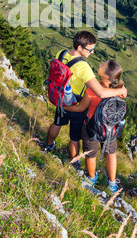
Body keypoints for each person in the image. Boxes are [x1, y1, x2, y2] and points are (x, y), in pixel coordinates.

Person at [45, 31, 127, 167]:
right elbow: (100, 92)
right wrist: (121, 90)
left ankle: (48, 145)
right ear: (79, 48)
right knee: (75, 137)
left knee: (57, 123)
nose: (92, 52)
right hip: (75, 103)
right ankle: (74, 162)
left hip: (60, 98)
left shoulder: (61, 53)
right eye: (90, 49)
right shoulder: (84, 67)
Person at [64, 59, 124, 194]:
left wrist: (65, 106)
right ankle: (112, 184)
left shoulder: (92, 90)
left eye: (103, 65)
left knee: (90, 154)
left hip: (92, 127)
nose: (100, 63)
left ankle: (92, 178)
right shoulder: (120, 89)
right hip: (110, 128)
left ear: (106, 76)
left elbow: (80, 109)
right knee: (111, 153)